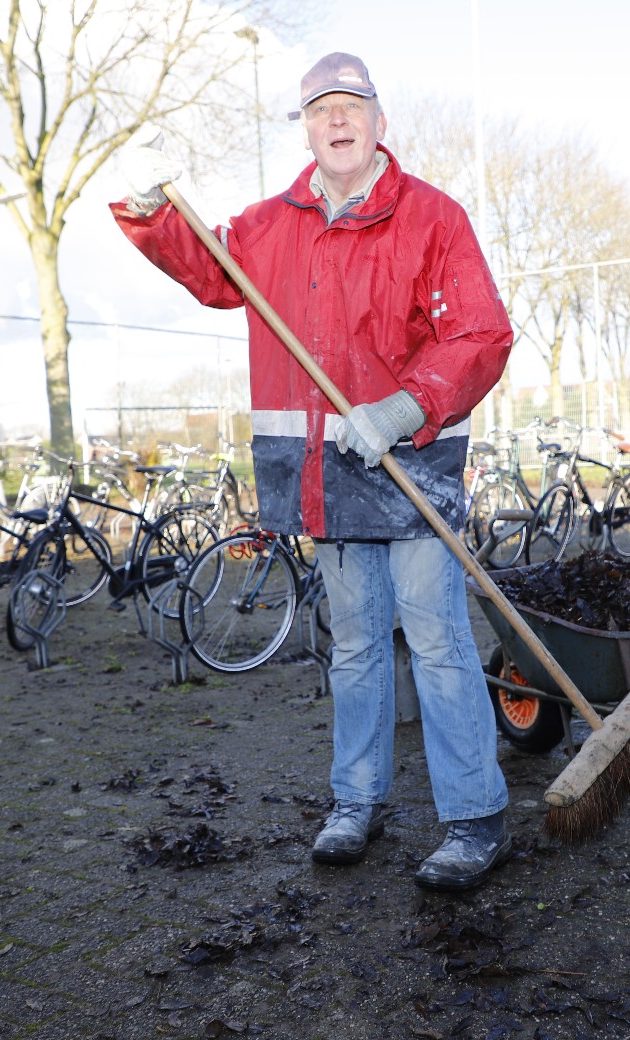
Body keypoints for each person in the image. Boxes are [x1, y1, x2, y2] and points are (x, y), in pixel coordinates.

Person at [110, 52, 514, 891]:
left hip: (412, 463)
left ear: (379, 122)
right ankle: (356, 801)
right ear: (305, 128)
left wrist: (406, 406)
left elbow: (480, 334)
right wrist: (151, 212)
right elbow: (210, 273)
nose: (337, 120)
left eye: (351, 106)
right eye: (320, 108)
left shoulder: (433, 217)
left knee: (437, 641)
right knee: (356, 644)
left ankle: (475, 817)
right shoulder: (269, 227)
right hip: (326, 473)